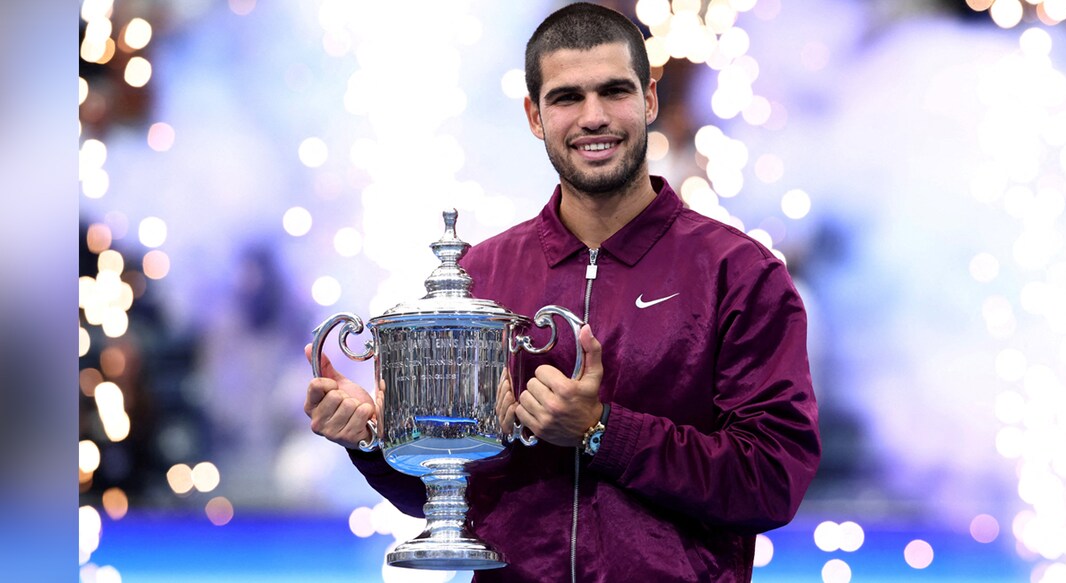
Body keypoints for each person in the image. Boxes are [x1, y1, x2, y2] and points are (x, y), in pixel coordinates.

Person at [304, 3, 820, 581]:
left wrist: (602, 429)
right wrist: (371, 441)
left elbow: (772, 483)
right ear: (534, 114)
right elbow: (454, 498)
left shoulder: (739, 272)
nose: (593, 117)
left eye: (614, 92)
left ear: (649, 100)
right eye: (567, 97)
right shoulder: (481, 276)